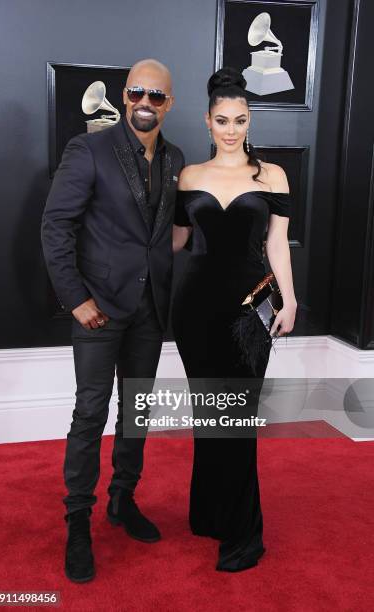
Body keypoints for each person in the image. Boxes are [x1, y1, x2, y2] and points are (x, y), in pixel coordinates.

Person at [41, 58, 185, 582]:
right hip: (97, 308)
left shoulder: (174, 158)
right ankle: (77, 520)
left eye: (157, 96)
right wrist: (74, 297)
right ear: (125, 96)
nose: (145, 102)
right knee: (90, 414)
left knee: (137, 412)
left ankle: (122, 501)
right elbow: (56, 226)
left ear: (170, 103)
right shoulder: (89, 149)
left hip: (150, 310)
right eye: (137, 93)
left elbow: (165, 230)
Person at [172, 67, 297, 572]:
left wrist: (289, 301)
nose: (231, 129)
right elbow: (177, 243)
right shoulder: (189, 177)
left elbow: (276, 245)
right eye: (222, 120)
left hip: (250, 309)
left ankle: (243, 534)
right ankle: (210, 514)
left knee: (237, 420)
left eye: (240, 120)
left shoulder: (272, 176)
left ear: (250, 121)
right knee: (211, 417)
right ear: (207, 121)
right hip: (195, 309)